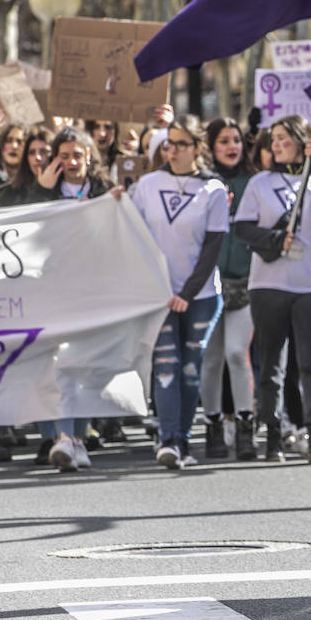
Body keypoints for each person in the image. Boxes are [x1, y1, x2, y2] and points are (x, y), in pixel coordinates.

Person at [121, 117, 229, 470]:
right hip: (158, 296)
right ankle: (167, 440)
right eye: (169, 143)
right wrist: (114, 199)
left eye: (182, 144)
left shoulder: (213, 190)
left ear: (197, 148)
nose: (173, 150)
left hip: (200, 296)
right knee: (166, 366)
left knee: (190, 370)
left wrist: (187, 291)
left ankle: (183, 440)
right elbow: (131, 232)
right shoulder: (148, 185)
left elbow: (213, 247)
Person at [233, 115, 311, 463]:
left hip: (310, 285)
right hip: (268, 284)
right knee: (272, 365)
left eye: (283, 139)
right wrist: (277, 239)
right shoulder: (260, 183)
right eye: (273, 139)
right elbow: (243, 228)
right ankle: (274, 435)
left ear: (299, 141)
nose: (276, 145)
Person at [198, 117, 255, 459]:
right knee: (212, 358)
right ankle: (213, 425)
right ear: (211, 146)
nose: (231, 146)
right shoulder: (204, 186)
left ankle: (246, 426)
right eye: (223, 141)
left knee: (237, 352)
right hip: (210, 285)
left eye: (236, 139)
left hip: (247, 284)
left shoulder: (255, 182)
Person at [0, 126, 55, 207]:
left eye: (43, 152)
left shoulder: (66, 188)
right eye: (32, 152)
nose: (37, 158)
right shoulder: (10, 192)